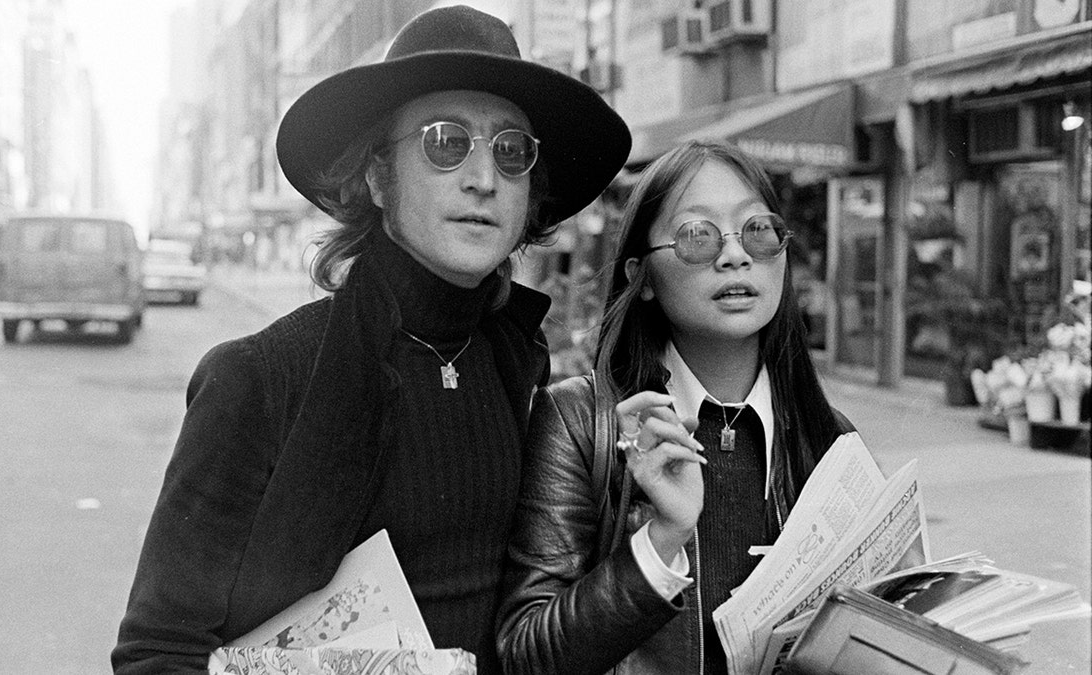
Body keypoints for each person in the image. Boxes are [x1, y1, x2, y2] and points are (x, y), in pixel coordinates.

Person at [111, 6, 630, 674]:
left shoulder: (518, 366)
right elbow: (158, 653)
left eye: (511, 151)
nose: (484, 177)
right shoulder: (260, 378)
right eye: (447, 141)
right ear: (378, 176)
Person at [496, 140, 855, 674]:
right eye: (697, 235)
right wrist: (661, 541)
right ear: (642, 276)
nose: (735, 255)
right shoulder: (579, 422)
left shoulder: (829, 438)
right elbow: (525, 656)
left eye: (757, 231)